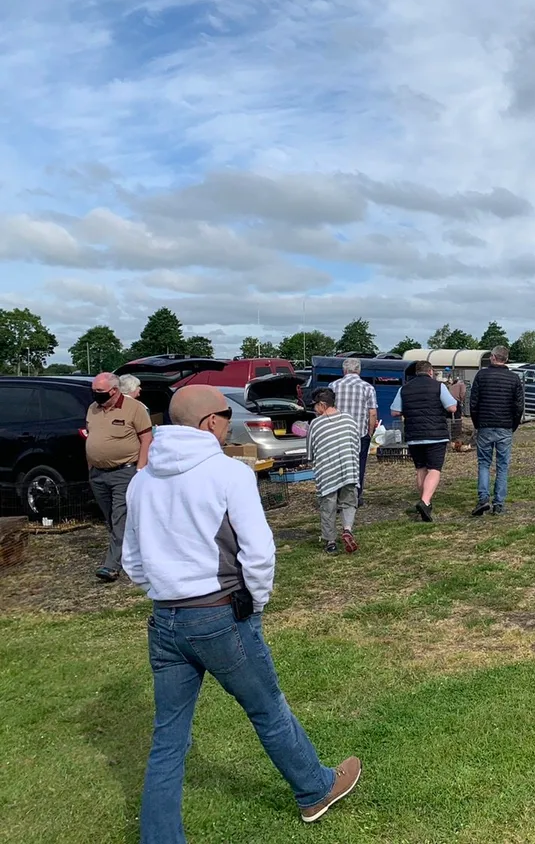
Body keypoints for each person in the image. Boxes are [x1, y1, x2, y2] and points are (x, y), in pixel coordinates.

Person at [122, 385, 361, 842]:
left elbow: (133, 560)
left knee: (168, 737)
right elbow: (259, 551)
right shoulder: (227, 473)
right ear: (210, 421)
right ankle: (315, 789)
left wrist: (165, 590)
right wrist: (256, 604)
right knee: (268, 709)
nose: (229, 423)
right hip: (220, 616)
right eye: (225, 415)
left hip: (165, 620)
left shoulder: (142, 480)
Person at [87, 371, 152, 582]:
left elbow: (146, 438)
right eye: (94, 391)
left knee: (120, 517)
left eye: (100, 391)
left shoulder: (135, 409)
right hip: (98, 474)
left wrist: (140, 469)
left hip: (124, 471)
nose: (96, 395)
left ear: (114, 391)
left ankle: (111, 566)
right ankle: (135, 553)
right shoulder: (93, 409)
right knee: (111, 519)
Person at [391, 361, 457, 522]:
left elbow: (394, 412)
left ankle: (425, 501)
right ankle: (425, 501)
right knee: (434, 469)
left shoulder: (404, 389)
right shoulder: (438, 386)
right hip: (436, 435)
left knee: (421, 469)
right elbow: (452, 407)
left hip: (414, 435)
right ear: (430, 372)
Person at [470, 345, 524, 516]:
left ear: (493, 357)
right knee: (502, 466)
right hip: (505, 426)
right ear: (506, 359)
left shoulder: (481, 375)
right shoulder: (514, 379)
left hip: (485, 424)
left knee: (484, 463)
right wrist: (513, 424)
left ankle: (483, 498)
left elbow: (473, 403)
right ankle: (499, 503)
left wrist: (477, 423)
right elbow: (519, 406)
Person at [307, 388, 361, 553]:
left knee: (328, 506)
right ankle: (347, 529)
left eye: (315, 405)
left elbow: (311, 453)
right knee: (349, 502)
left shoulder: (315, 424)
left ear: (322, 405)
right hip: (349, 468)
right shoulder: (349, 419)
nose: (314, 409)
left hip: (327, 472)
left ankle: (330, 542)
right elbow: (356, 445)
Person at [329, 359, 378, 508]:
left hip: (337, 432)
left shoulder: (333, 386)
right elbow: (372, 413)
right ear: (359, 370)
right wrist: (370, 432)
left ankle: (337, 496)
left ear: (344, 371)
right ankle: (355, 496)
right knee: (358, 465)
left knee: (338, 464)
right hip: (359, 432)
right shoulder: (367, 388)